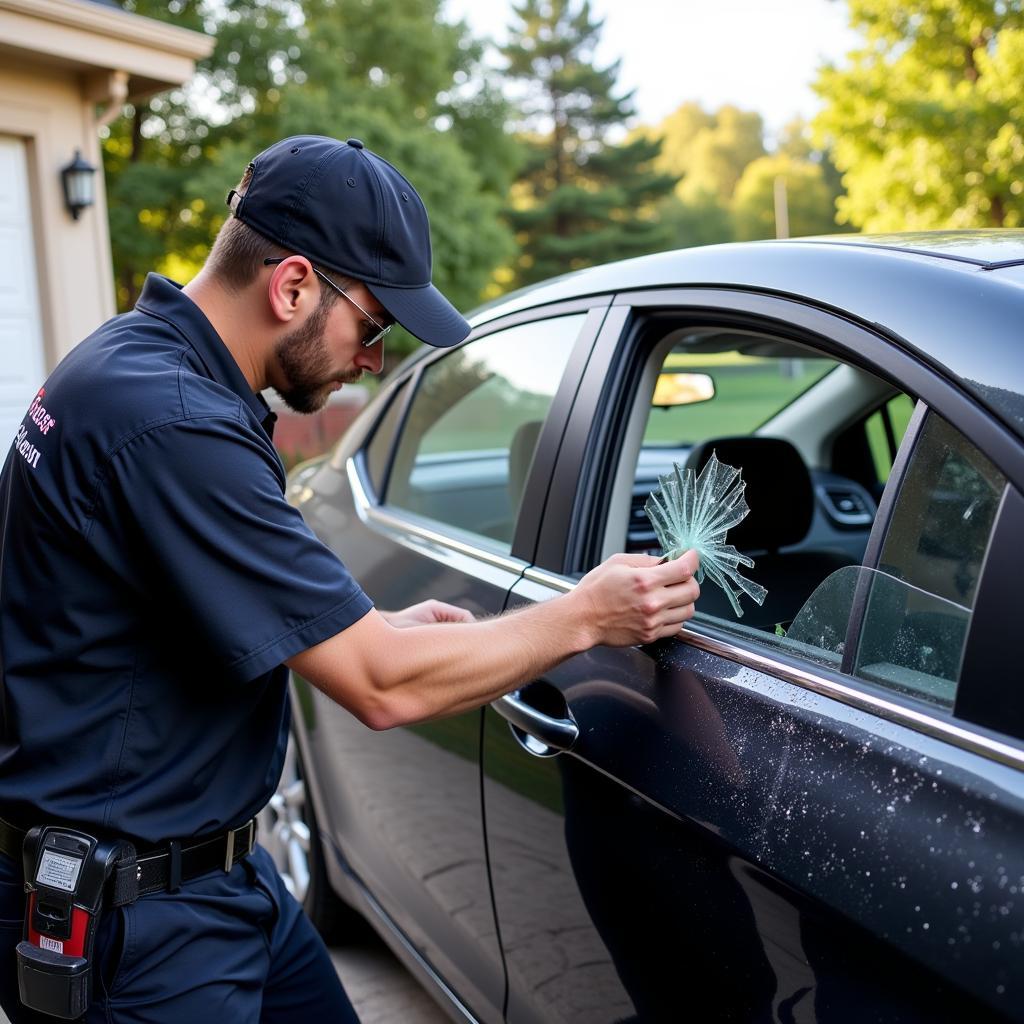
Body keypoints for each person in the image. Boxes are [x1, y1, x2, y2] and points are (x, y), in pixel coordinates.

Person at [0, 135, 699, 1023]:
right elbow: (380, 688)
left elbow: (184, 612)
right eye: (372, 326)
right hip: (139, 928)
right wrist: (588, 614)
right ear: (292, 286)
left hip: (211, 877)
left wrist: (380, 628)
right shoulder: (173, 425)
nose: (373, 361)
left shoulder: (142, 368)